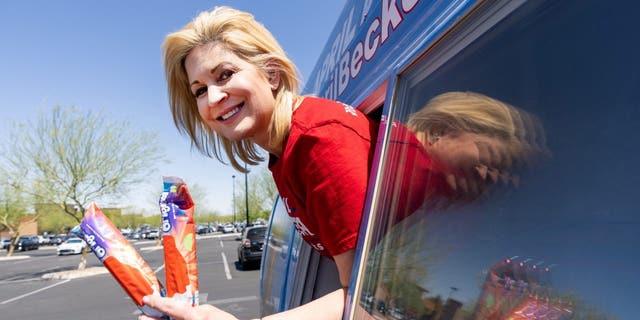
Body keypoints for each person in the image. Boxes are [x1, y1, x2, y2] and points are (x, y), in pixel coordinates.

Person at [143, 6, 376, 320]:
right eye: (199, 90)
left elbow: (369, 299)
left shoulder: (319, 142)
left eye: (225, 74)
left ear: (271, 74)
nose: (213, 99)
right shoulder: (286, 151)